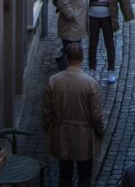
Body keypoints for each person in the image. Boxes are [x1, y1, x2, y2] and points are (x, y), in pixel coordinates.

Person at [42, 42, 104, 186]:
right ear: (82, 59)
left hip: (62, 134)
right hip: (83, 136)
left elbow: (46, 111)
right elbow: (96, 115)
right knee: (84, 175)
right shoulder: (90, 84)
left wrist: (49, 128)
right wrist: (100, 131)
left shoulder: (54, 81)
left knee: (64, 174)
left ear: (67, 58)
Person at [84, 0, 134, 83]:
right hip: (93, 17)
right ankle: (92, 69)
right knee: (92, 44)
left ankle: (111, 71)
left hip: (108, 18)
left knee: (109, 44)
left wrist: (128, 15)